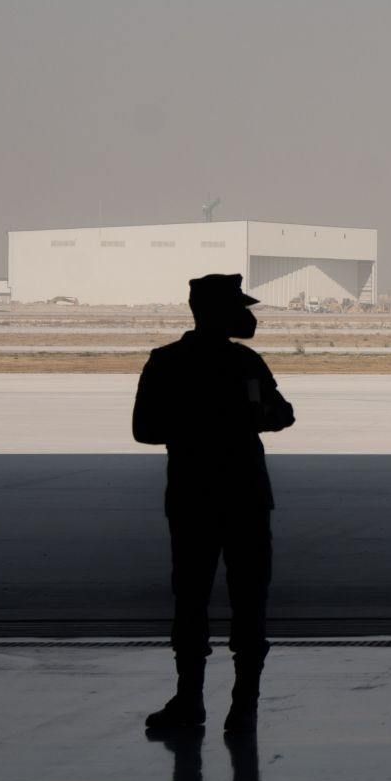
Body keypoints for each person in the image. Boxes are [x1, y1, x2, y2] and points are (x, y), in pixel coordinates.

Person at [134, 274, 295, 733]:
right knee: (249, 602)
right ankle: (243, 707)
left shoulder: (166, 362)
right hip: (244, 498)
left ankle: (190, 702)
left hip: (192, 499)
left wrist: (190, 427)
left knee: (191, 602)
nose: (249, 317)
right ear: (217, 313)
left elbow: (144, 429)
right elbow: (282, 414)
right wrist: (242, 419)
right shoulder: (246, 363)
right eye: (240, 308)